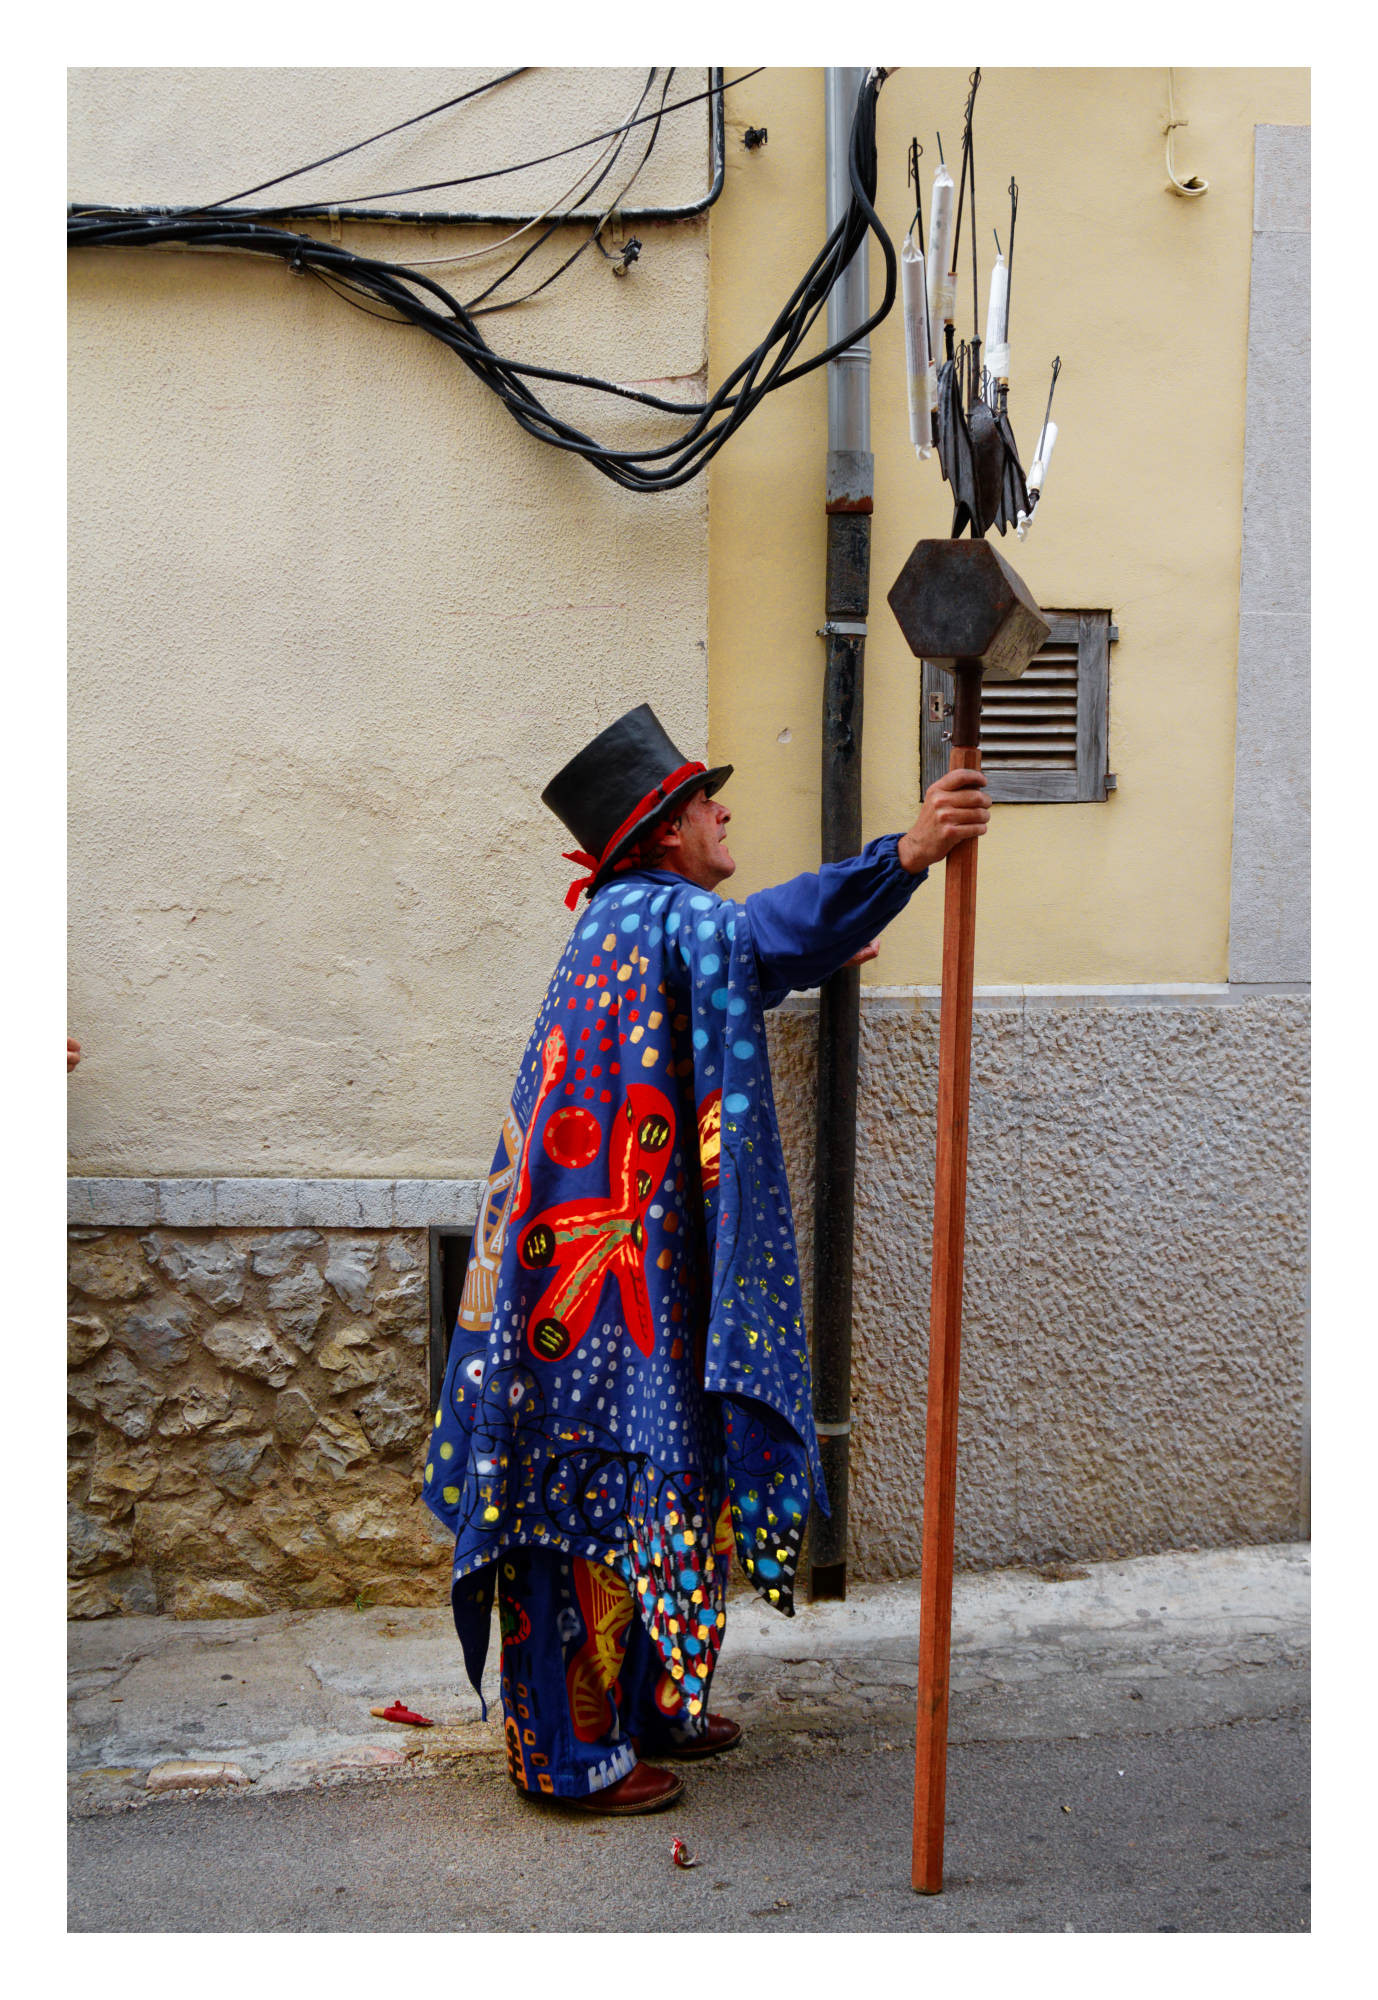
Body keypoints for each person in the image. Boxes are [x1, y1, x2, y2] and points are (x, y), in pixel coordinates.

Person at [423, 704, 989, 1813]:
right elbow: (750, 936)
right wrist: (906, 853)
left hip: (612, 1275)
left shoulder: (628, 922)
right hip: (594, 1290)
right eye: (702, 800)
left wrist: (788, 955)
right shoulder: (656, 916)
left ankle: (649, 1705)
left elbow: (721, 978)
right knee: (581, 1502)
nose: (722, 809)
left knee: (643, 1475)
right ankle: (564, 1756)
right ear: (664, 835)